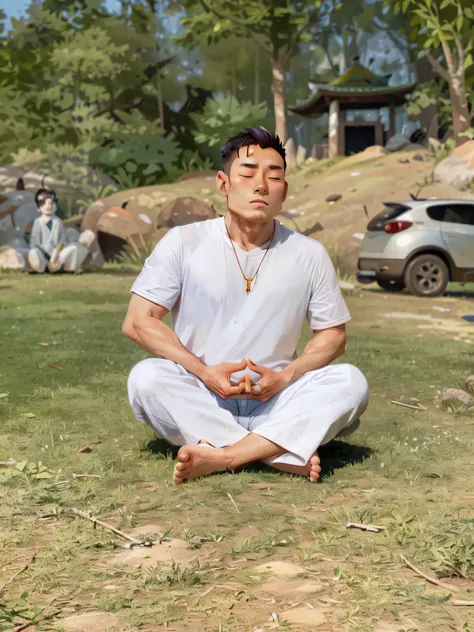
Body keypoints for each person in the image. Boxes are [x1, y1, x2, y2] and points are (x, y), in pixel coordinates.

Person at [123, 126, 369, 485]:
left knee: (351, 382)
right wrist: (205, 373)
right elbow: (138, 321)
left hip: (278, 397)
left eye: (274, 176)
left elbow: (333, 337)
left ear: (284, 190)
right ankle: (278, 451)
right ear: (224, 183)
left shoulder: (309, 254)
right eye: (248, 173)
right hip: (202, 395)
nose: (261, 186)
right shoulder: (183, 242)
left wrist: (285, 376)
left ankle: (227, 454)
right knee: (145, 378)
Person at [28, 186, 94, 273]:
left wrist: (57, 253)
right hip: (43, 257)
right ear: (38, 208)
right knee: (33, 252)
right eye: (43, 203)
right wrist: (46, 256)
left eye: (51, 203)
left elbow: (62, 240)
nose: (48, 206)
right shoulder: (38, 222)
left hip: (57, 256)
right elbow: (35, 244)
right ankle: (43, 268)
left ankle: (66, 269)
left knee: (74, 247)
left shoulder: (57, 221)